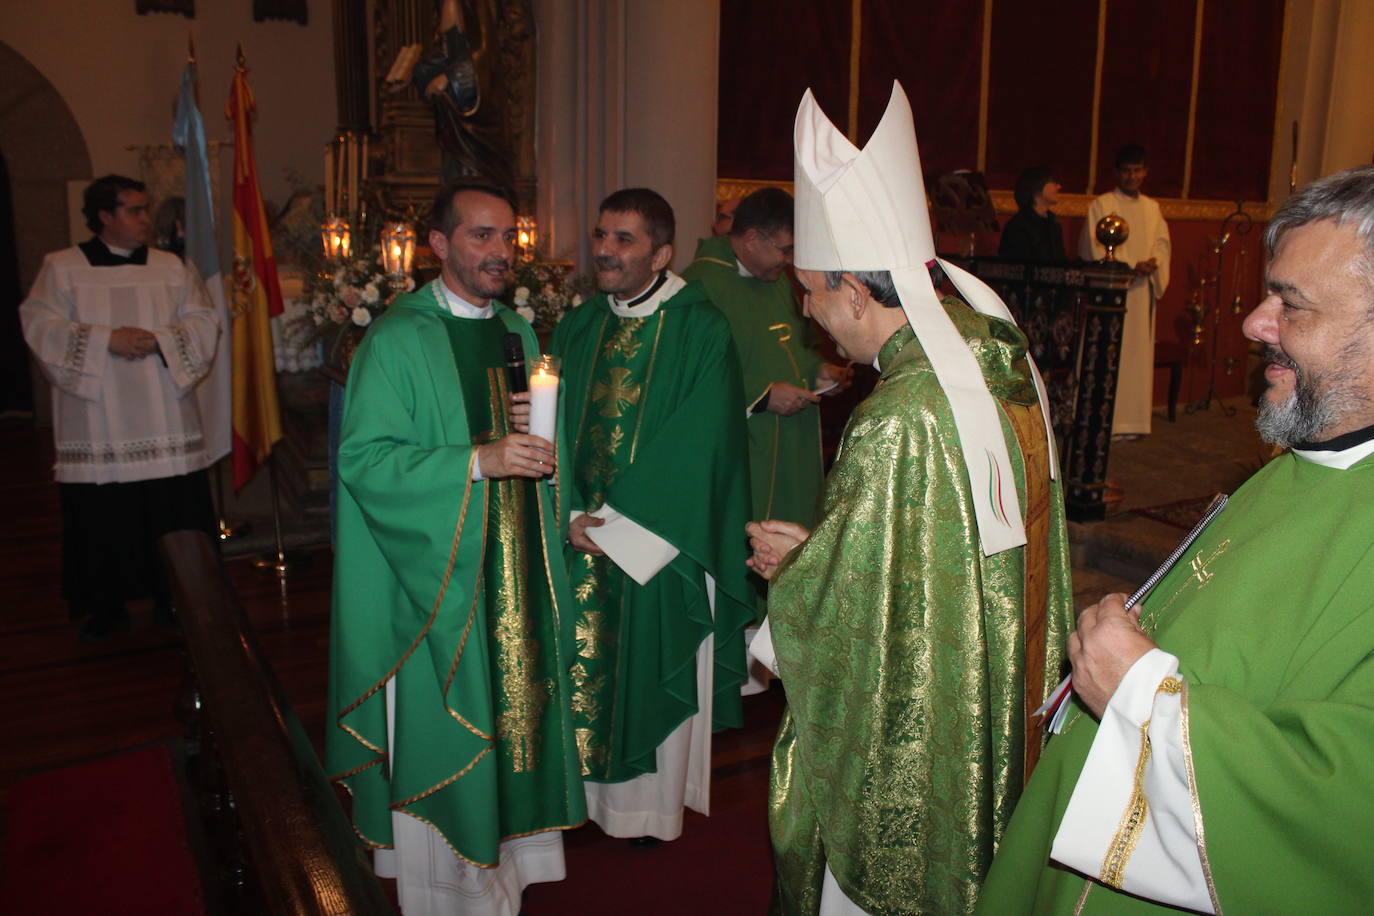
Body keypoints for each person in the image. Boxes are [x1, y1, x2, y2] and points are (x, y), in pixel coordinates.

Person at [978, 164, 1374, 914]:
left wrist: (1142, 694)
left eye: (1290, 304)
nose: (1256, 323)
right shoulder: (1302, 465)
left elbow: (1348, 815)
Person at [746, 83, 1073, 915]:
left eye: (813, 289)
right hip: (998, 673)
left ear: (859, 294)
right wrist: (830, 550)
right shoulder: (994, 348)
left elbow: (862, 611)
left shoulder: (899, 417)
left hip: (926, 721)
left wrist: (795, 571)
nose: (808, 308)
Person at [327, 181, 585, 916]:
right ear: (438, 245)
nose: (501, 253)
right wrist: (478, 458)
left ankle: (502, 872)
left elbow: (536, 440)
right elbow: (367, 460)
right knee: (450, 724)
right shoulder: (399, 337)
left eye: (509, 238)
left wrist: (561, 510)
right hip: (440, 583)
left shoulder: (518, 332)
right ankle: (444, 889)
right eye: (481, 236)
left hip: (513, 574)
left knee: (516, 721)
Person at [550, 187, 755, 843]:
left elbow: (705, 445)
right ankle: (573, 801)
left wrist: (621, 531)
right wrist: (567, 514)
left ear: (663, 252)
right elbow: (557, 434)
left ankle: (641, 815)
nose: (605, 251)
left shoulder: (700, 328)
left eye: (624, 240)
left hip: (658, 546)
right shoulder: (581, 325)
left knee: (648, 663)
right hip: (578, 530)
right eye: (601, 235)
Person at [20, 174, 220, 642]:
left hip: (163, 412)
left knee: (169, 509)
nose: (146, 220)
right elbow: (39, 322)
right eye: (134, 210)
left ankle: (177, 598)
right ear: (104, 217)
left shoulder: (173, 267)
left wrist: (162, 340)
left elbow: (203, 321)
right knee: (102, 514)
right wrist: (106, 340)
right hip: (98, 419)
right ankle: (104, 606)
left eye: (146, 209)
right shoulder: (63, 266)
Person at [682, 187, 848, 546]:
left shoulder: (773, 280)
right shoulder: (700, 284)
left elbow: (790, 345)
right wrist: (761, 394)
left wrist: (816, 370)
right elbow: (688, 371)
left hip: (791, 438)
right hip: (744, 440)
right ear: (753, 239)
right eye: (785, 249)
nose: (789, 260)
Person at [1080, 144, 1171, 437]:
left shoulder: (1152, 208)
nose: (1133, 176)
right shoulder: (1103, 205)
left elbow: (1162, 243)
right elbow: (1093, 248)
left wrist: (1154, 263)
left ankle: (1131, 423)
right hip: (1112, 290)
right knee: (1109, 351)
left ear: (1145, 172)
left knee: (1135, 357)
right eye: (1127, 171)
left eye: (1138, 170)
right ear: (1118, 173)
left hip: (1141, 290)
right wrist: (1131, 264)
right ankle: (1103, 422)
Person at [998, 165, 1066, 263]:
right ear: (1037, 188)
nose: (1059, 187)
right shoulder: (1018, 227)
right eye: (1054, 183)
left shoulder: (1053, 224)